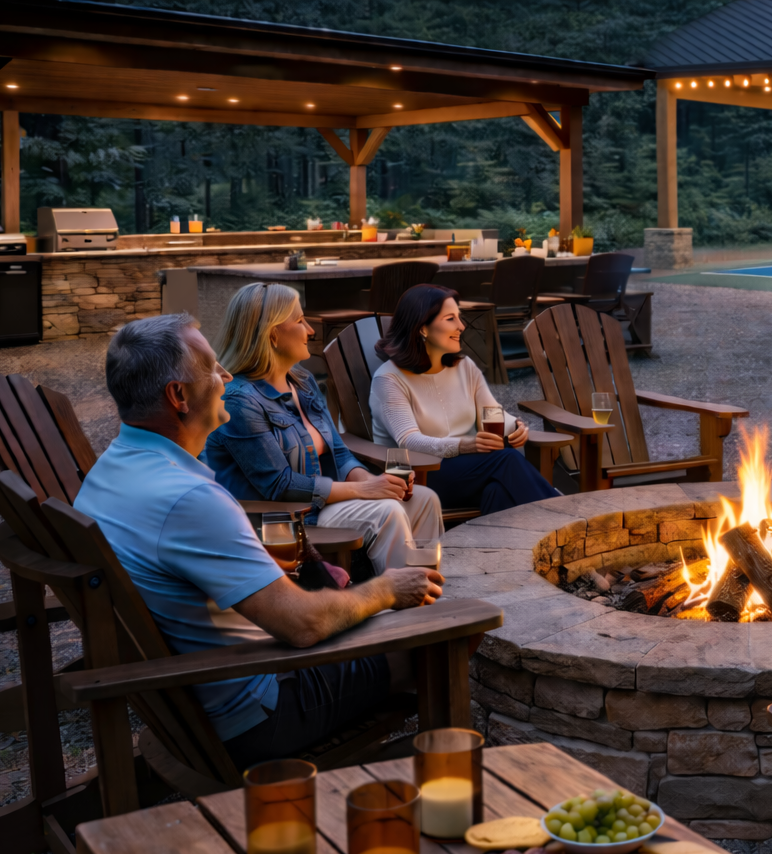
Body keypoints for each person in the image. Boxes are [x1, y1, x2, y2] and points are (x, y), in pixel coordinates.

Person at [75, 314, 442, 768]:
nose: (226, 376)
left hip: (194, 691)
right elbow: (302, 625)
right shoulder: (190, 498)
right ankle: (434, 772)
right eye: (212, 368)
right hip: (262, 707)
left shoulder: (111, 470)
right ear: (179, 396)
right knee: (446, 635)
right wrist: (387, 589)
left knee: (369, 610)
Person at [202, 282, 443, 575]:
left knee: (424, 499)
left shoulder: (302, 382)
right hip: (282, 519)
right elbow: (281, 486)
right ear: (273, 334)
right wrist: (365, 490)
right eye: (300, 320)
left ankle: (425, 587)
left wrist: (372, 482)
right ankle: (397, 600)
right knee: (387, 513)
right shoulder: (239, 400)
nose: (311, 330)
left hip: (325, 504)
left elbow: (339, 454)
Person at [370, 283, 561, 513]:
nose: (461, 326)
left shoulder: (464, 367)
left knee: (498, 492)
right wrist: (464, 445)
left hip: (473, 472)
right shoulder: (389, 380)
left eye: (459, 318)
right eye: (450, 318)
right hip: (418, 475)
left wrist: (515, 427)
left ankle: (494, 548)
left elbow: (492, 412)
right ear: (422, 328)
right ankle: (563, 517)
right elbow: (409, 441)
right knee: (506, 460)